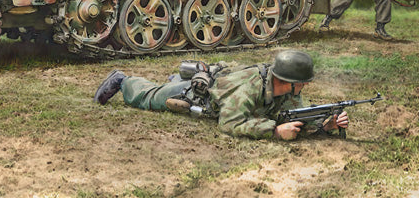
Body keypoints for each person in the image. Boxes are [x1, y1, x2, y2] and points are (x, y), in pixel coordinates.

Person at [93, 50, 349, 140]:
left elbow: (293, 115)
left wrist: (326, 125)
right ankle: (123, 80)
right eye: (301, 83)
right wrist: (273, 131)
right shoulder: (249, 89)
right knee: (149, 98)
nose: (304, 87)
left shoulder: (286, 90)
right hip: (200, 95)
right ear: (286, 82)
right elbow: (229, 124)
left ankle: (175, 79)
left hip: (224, 85)